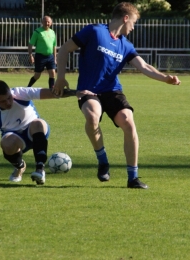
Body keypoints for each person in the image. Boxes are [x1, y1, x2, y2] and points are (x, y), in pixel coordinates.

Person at [53, 2, 181, 189]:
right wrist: (60, 78)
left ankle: (133, 177)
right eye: (134, 22)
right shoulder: (95, 31)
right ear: (125, 18)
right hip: (89, 90)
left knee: (128, 121)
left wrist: (165, 78)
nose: (133, 27)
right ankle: (103, 161)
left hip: (112, 91)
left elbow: (144, 66)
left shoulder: (126, 45)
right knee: (92, 116)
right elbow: (64, 49)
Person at [0, 80, 95, 184]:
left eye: (9, 97)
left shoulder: (20, 93)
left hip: (35, 131)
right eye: (2, 101)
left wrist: (76, 93)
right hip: (16, 139)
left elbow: (51, 93)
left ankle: (40, 170)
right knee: (6, 143)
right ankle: (20, 166)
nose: (8, 102)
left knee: (38, 123)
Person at [27, 16, 56, 90]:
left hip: (50, 56)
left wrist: (55, 58)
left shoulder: (52, 32)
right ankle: (28, 88)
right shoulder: (37, 32)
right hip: (40, 56)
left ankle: (52, 90)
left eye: (48, 22)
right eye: (45, 21)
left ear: (51, 23)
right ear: (42, 22)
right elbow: (30, 44)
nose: (47, 23)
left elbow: (54, 46)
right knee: (37, 75)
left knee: (52, 73)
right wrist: (30, 55)